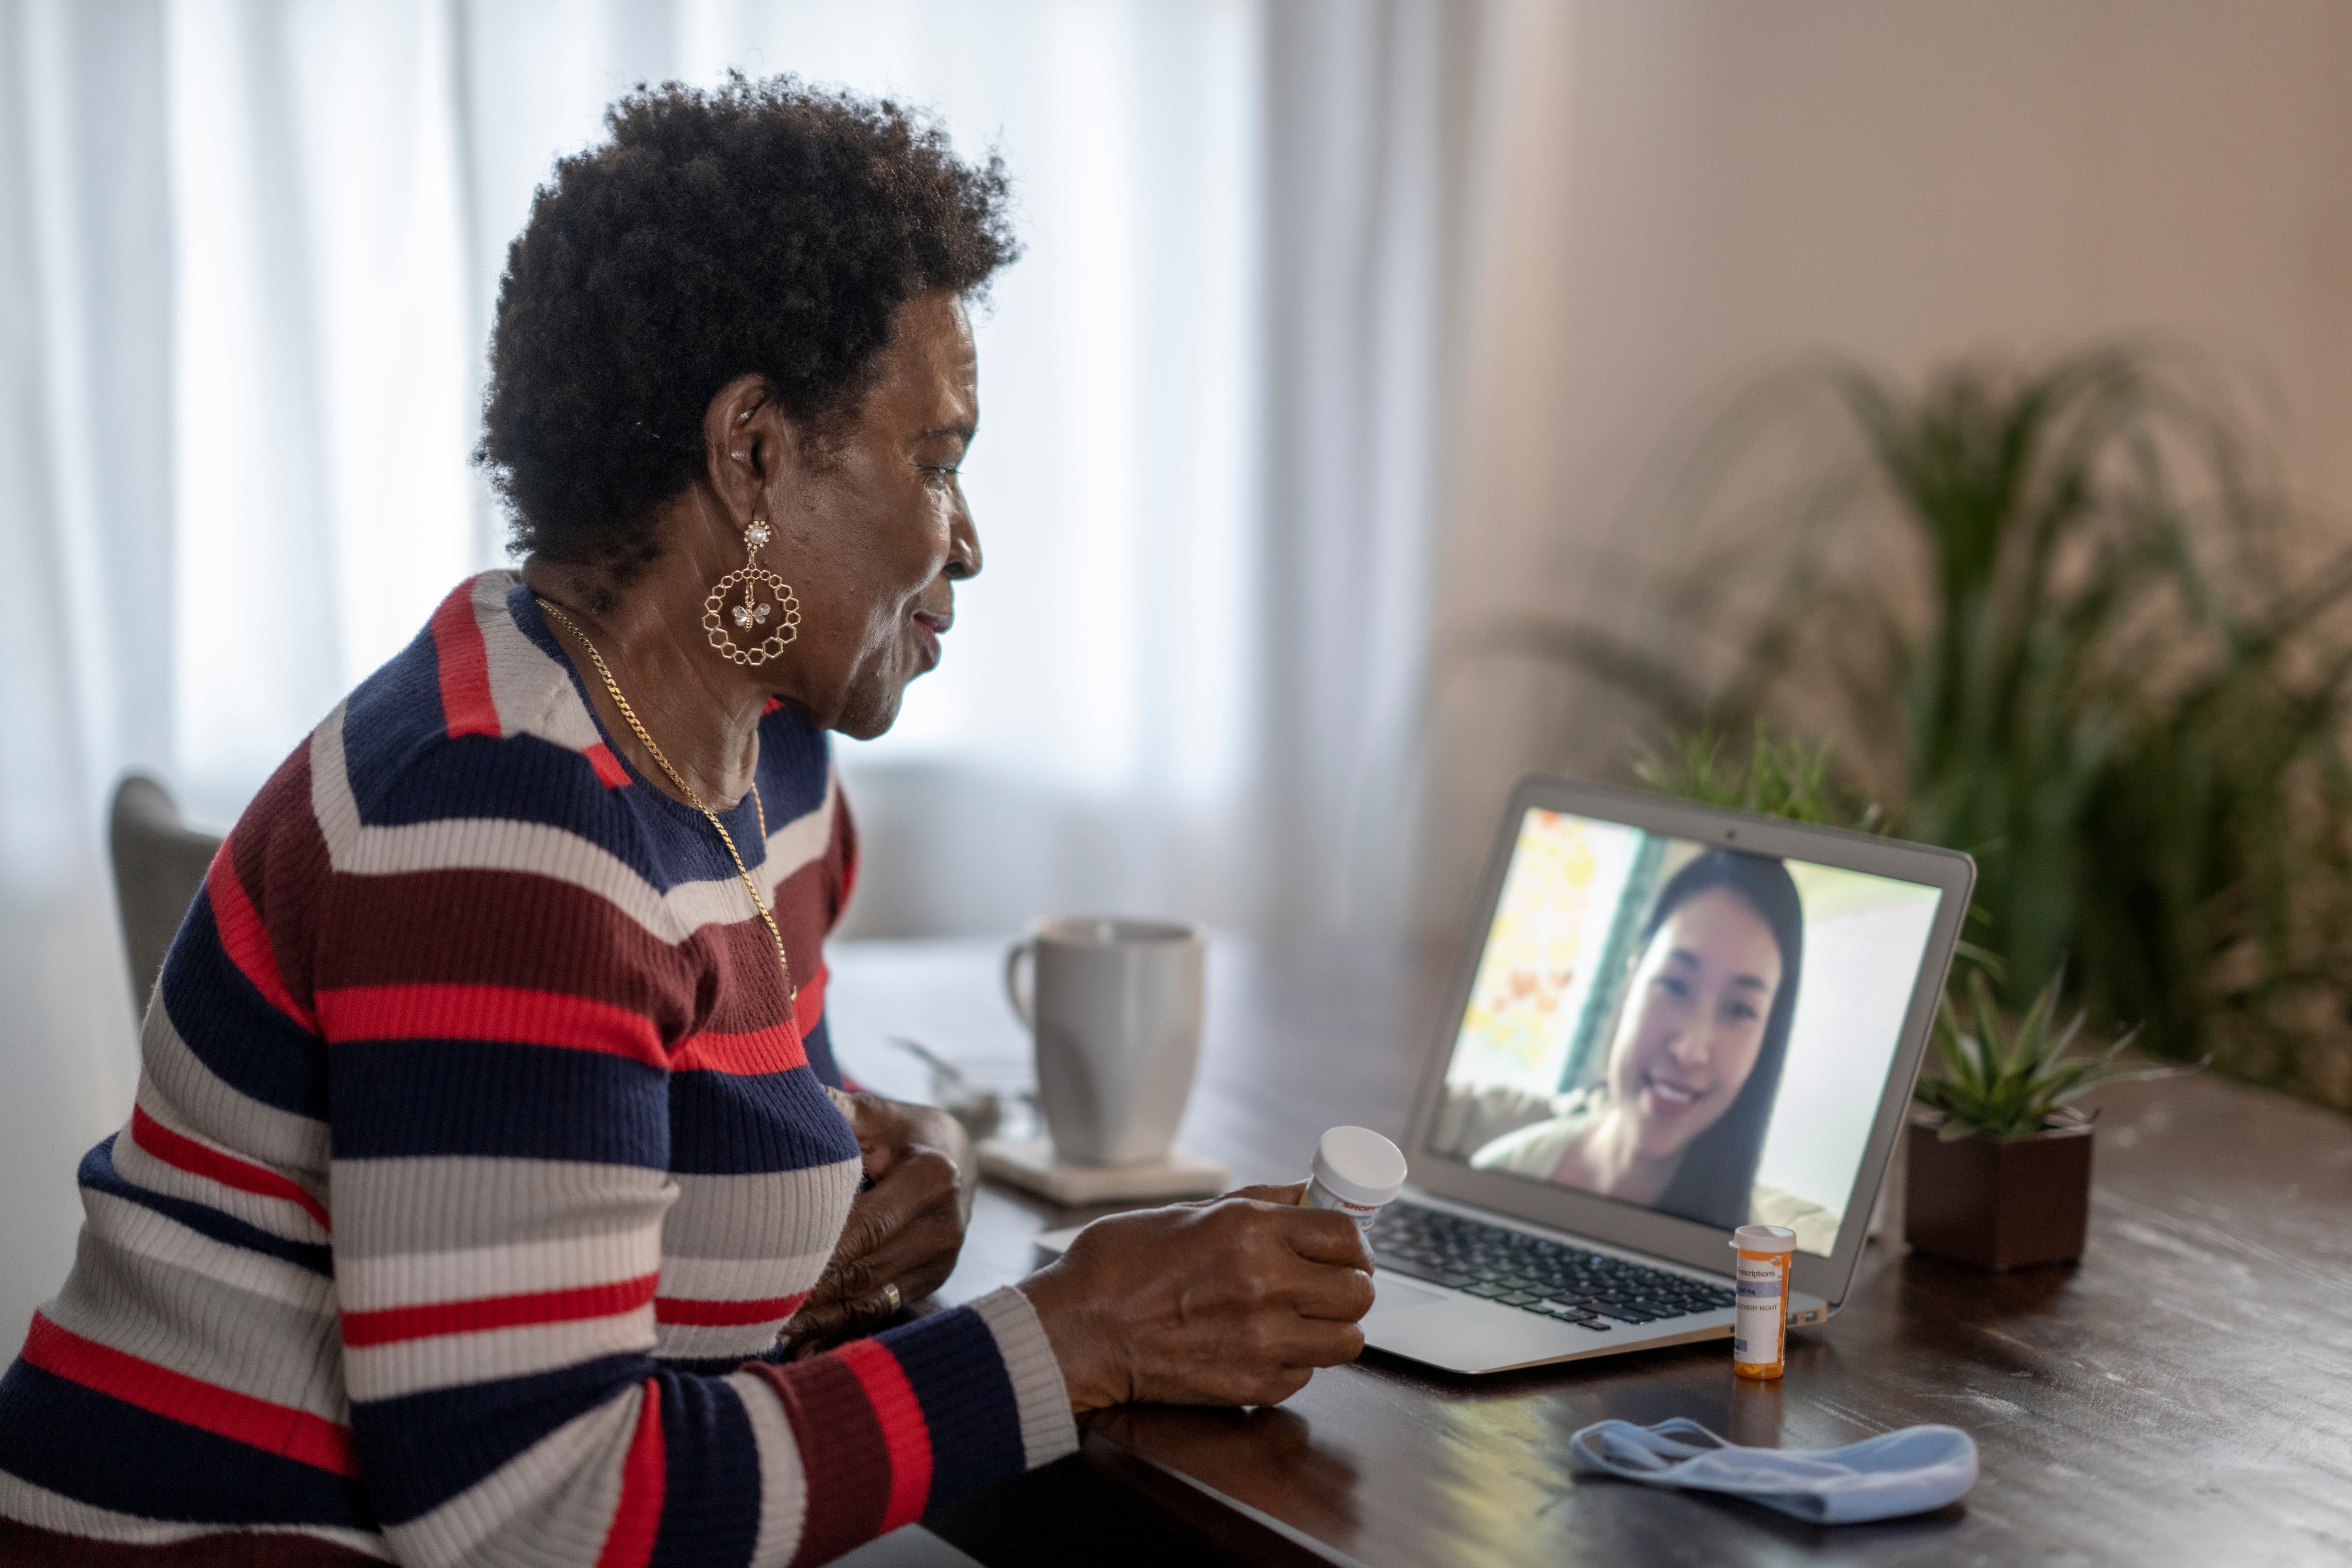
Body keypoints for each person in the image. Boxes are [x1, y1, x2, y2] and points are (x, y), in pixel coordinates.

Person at [0, 78, 1373, 1566]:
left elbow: (704, 1128)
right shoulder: (503, 826)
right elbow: (534, 1518)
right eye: (935, 458)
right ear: (753, 454)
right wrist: (1081, 1333)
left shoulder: (765, 754)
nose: (965, 539)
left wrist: (887, 1173)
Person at [1470, 850, 1809, 1237]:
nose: (1690, 1050)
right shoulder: (1500, 1174)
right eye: (1676, 985)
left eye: (1739, 1009)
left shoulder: (1758, 1262)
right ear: (1632, 979)